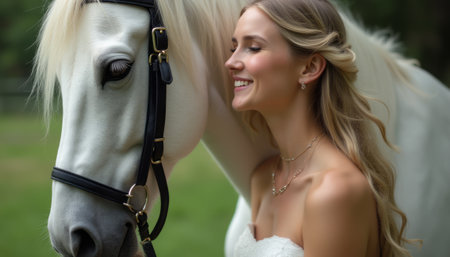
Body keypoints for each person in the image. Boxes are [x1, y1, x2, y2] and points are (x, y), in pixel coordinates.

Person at [225, 0, 416, 256]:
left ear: (309, 67)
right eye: (234, 47)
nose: (231, 62)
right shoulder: (263, 178)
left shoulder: (335, 191)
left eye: (254, 47)